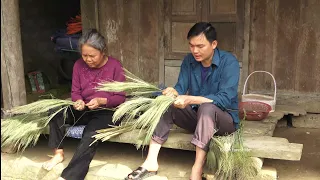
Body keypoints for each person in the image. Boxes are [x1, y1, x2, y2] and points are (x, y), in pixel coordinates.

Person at [125, 22, 240, 180]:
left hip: (224, 122)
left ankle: (197, 168)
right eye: (191, 46)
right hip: (197, 119)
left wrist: (191, 99)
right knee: (166, 103)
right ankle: (151, 161)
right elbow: (181, 87)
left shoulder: (229, 62)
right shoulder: (189, 61)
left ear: (214, 44)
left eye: (200, 46)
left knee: (207, 108)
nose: (195, 51)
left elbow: (225, 99)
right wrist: (173, 92)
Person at [42, 29, 126, 180]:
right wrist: (78, 101)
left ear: (103, 51)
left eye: (92, 56)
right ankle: (58, 153)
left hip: (108, 112)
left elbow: (120, 97)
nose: (87, 59)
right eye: (84, 55)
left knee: (90, 134)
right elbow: (75, 91)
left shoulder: (115, 66)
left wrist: (102, 101)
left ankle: (69, 177)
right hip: (85, 109)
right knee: (55, 111)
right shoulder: (78, 65)